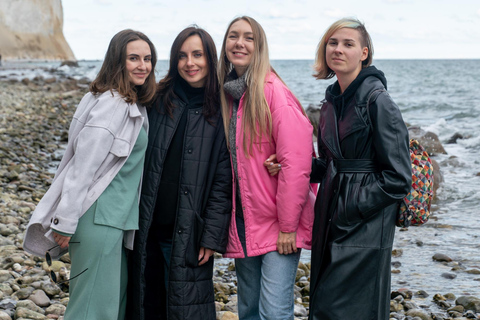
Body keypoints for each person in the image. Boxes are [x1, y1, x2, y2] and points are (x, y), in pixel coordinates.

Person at [23, 29, 157, 319]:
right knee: (90, 311)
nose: (142, 65)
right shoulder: (113, 104)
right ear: (118, 61)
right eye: (133, 58)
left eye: (147, 59)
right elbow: (82, 166)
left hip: (114, 222)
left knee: (109, 309)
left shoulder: (131, 103)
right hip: (97, 221)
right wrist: (65, 221)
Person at [307, 18, 411, 320]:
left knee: (341, 310)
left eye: (348, 44)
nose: (338, 49)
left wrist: (351, 207)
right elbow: (329, 164)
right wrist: (292, 167)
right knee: (325, 307)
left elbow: (398, 178)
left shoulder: (378, 101)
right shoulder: (329, 104)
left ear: (364, 53)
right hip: (330, 217)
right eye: (333, 43)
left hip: (363, 224)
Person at [126, 26, 232, 320]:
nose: (190, 63)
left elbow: (224, 183)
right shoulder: (157, 99)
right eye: (183, 56)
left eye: (198, 55)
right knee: (146, 304)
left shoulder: (221, 110)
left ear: (211, 59)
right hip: (145, 226)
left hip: (187, 232)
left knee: (186, 308)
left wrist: (211, 236)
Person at [219, 16, 316, 320]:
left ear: (259, 47)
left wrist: (288, 226)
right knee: (248, 310)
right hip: (245, 222)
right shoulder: (230, 95)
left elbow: (297, 163)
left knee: (274, 313)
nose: (239, 43)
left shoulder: (273, 92)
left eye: (248, 38)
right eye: (233, 36)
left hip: (278, 225)